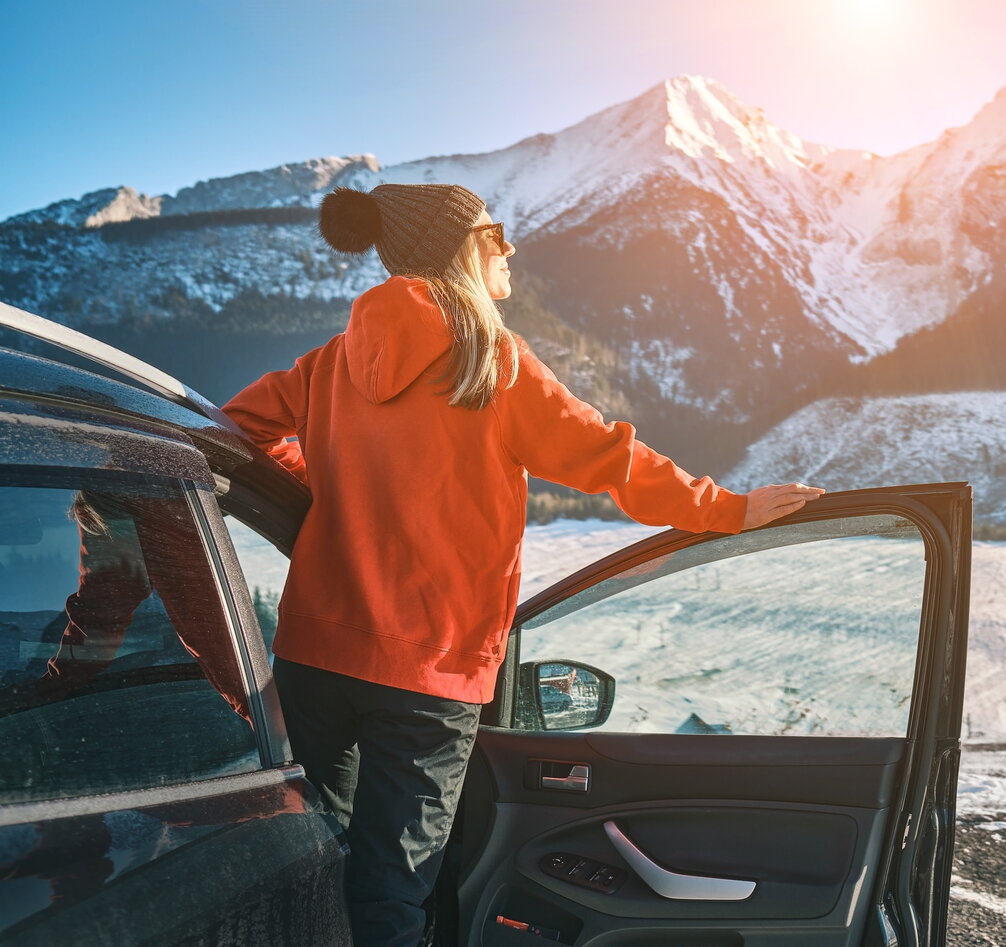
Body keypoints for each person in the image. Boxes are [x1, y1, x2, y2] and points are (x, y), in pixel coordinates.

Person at [221, 182, 823, 947]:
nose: (508, 247)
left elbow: (234, 428)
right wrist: (728, 509)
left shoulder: (330, 363)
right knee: (391, 895)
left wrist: (327, 496)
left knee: (313, 866)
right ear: (459, 246)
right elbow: (613, 460)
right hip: (428, 678)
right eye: (494, 231)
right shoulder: (493, 362)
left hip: (313, 658)